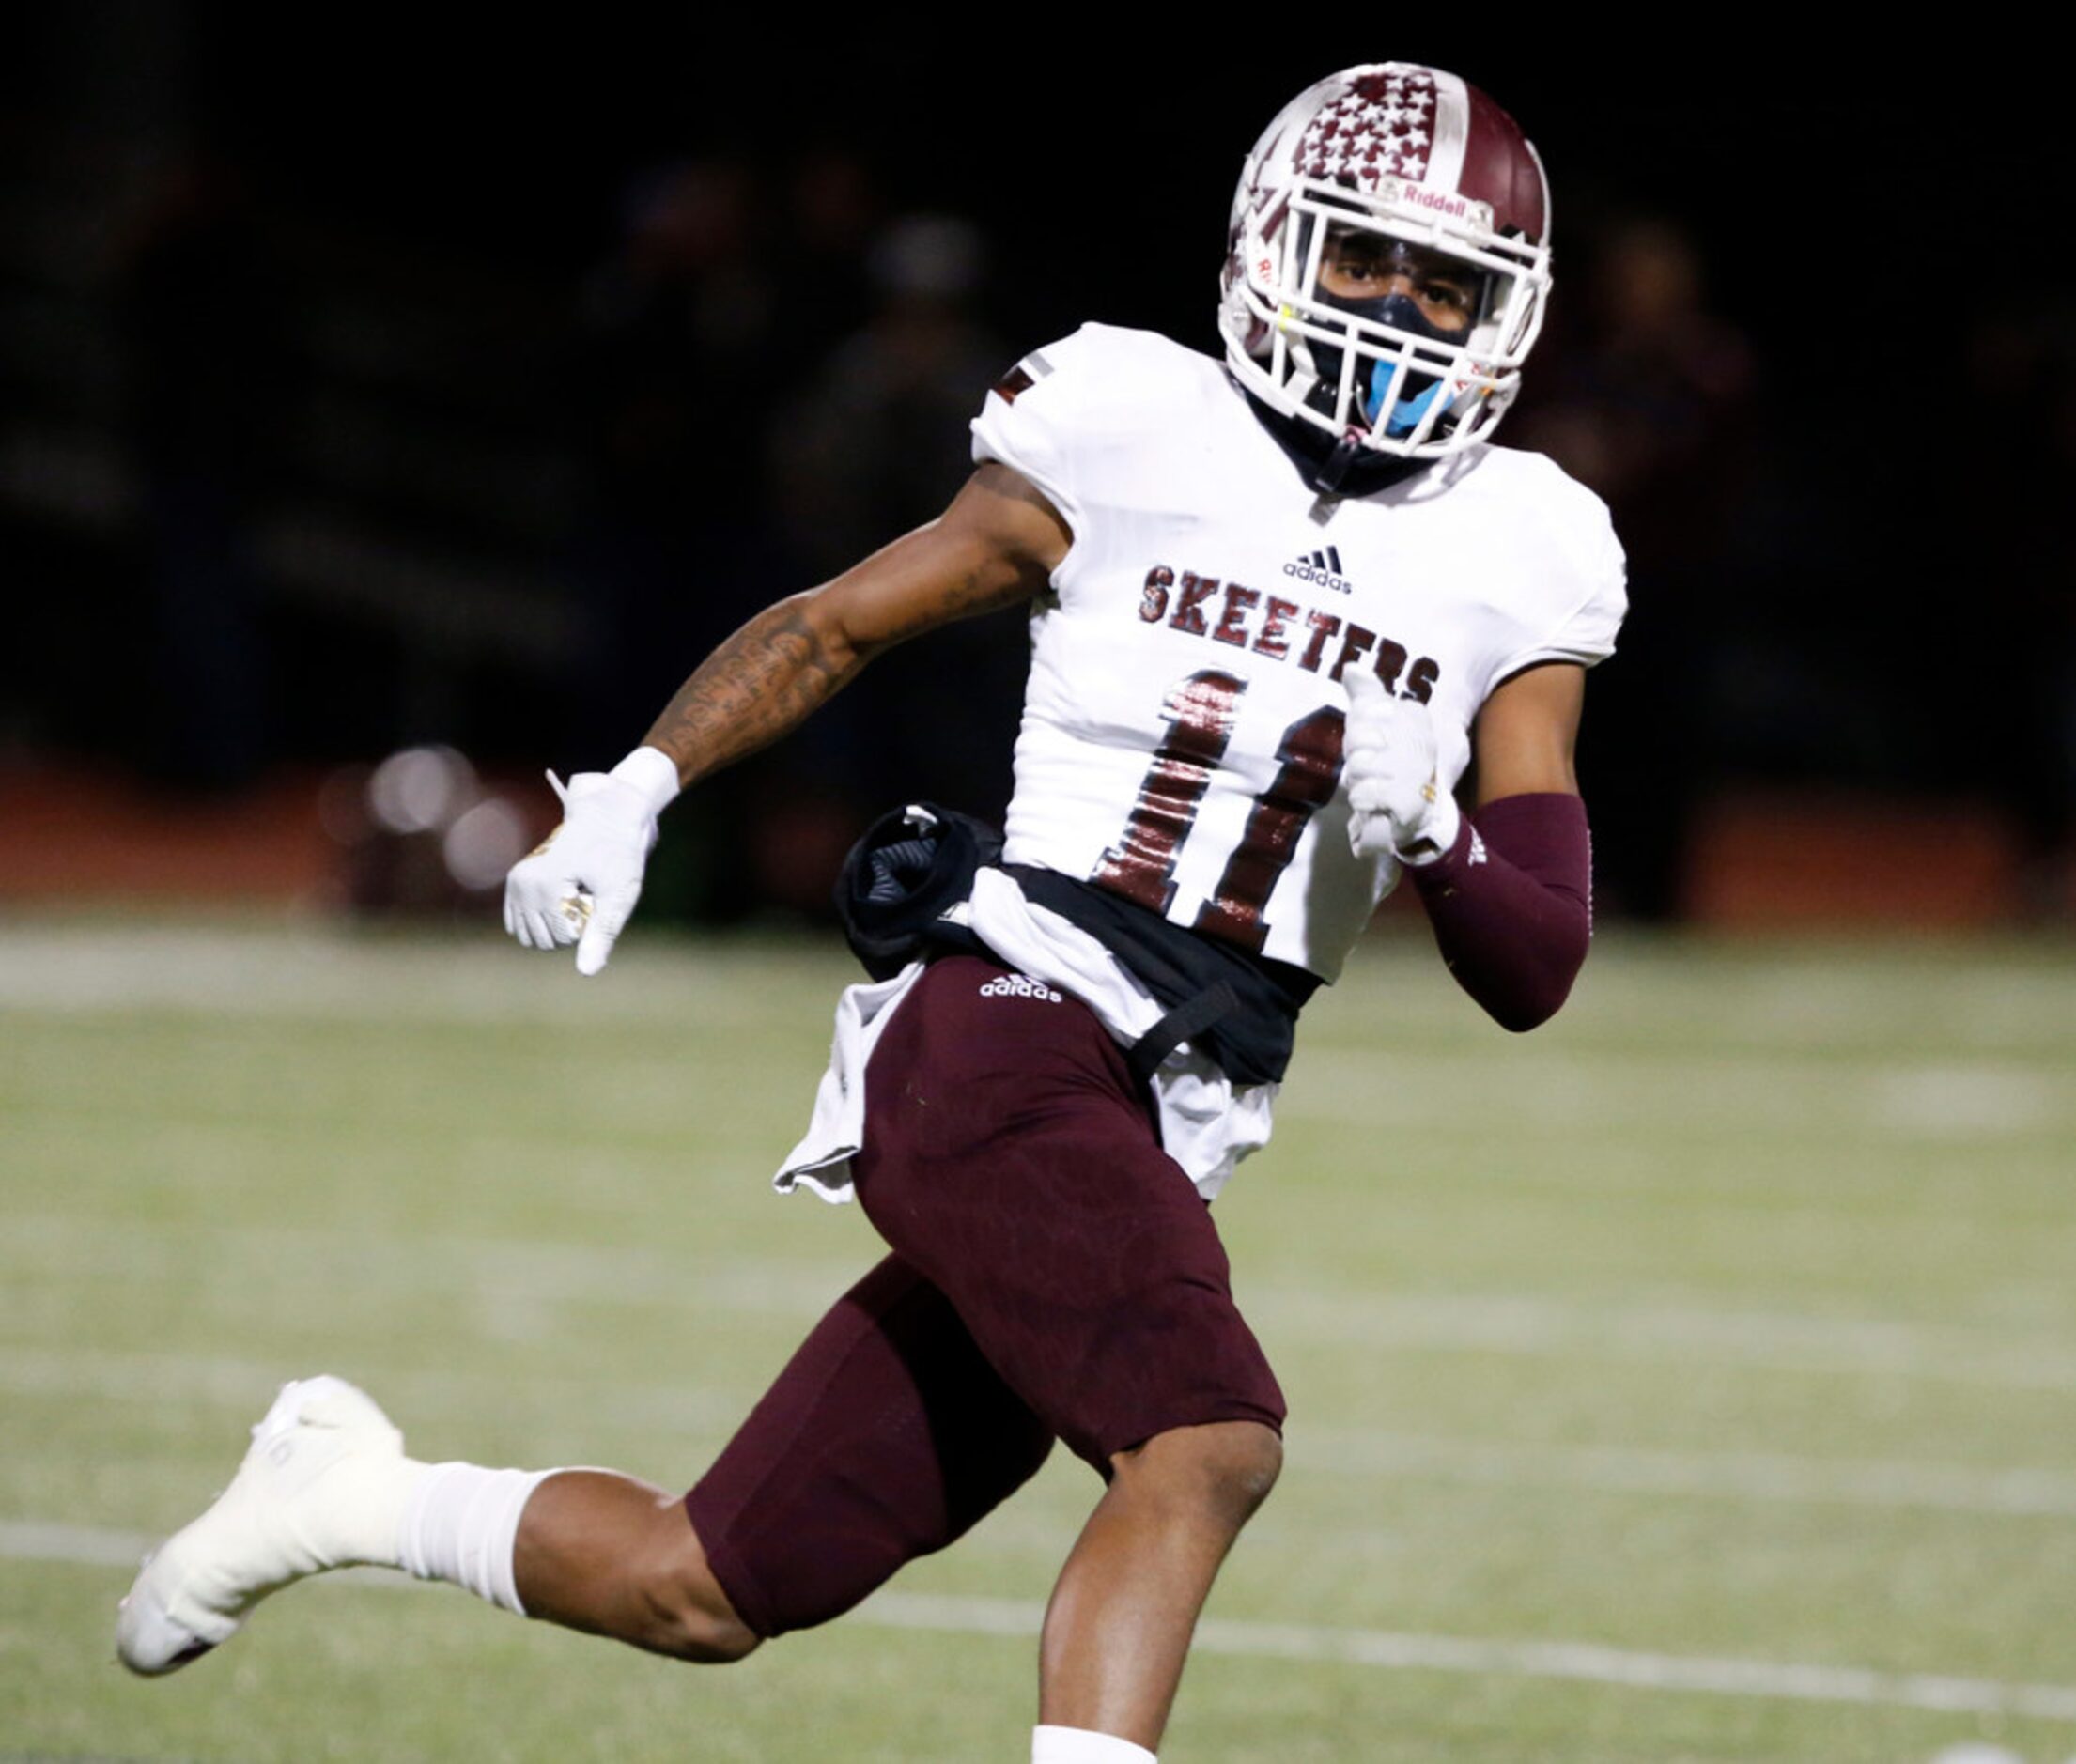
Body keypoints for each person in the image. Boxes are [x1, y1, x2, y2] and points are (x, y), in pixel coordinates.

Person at [116, 62, 1625, 1763]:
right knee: (1206, 1436)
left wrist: (1434, 830)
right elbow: (841, 623)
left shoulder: (1522, 541)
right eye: (1366, 261)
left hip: (1161, 1104)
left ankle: (347, 1491)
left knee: (713, 1580)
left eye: (1448, 286)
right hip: (1009, 1018)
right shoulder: (1133, 417)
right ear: (1275, 245)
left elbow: (1535, 962)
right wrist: (637, 786)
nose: (1401, 314)